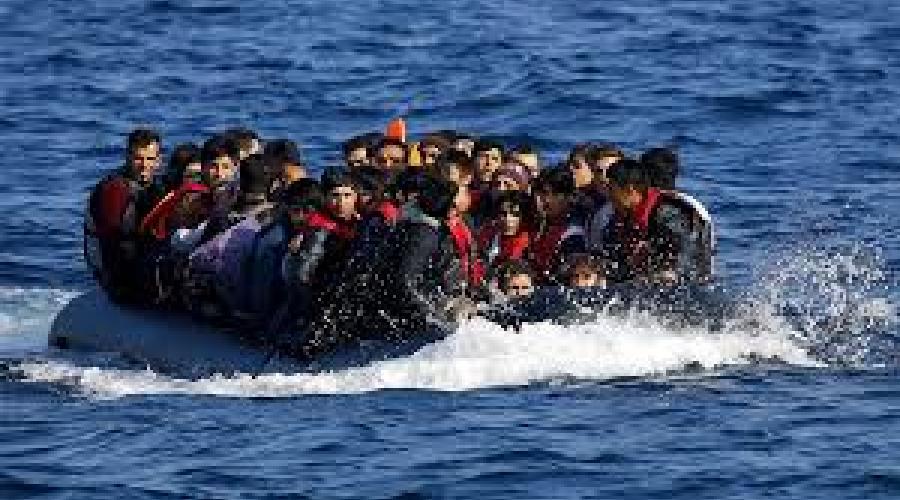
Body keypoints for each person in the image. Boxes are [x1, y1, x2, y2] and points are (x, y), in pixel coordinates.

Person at [183, 154, 277, 322]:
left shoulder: (223, 216)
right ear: (273, 185)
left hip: (224, 300)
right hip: (255, 303)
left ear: (239, 183)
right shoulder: (277, 217)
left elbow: (197, 255)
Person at [85, 128, 163, 303]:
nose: (145, 165)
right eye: (138, 158)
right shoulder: (114, 189)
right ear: (127, 157)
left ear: (159, 160)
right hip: (114, 273)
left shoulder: (155, 185)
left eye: (150, 159)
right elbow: (112, 242)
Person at [594, 158, 683, 284]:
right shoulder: (619, 219)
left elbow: (682, 259)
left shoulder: (667, 215)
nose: (609, 195)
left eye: (611, 189)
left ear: (630, 190)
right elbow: (611, 256)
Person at [640, 147, 715, 282]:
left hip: (676, 283)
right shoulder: (693, 204)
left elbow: (681, 243)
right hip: (703, 279)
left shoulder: (666, 207)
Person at [529, 168, 586, 281]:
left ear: (569, 196)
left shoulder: (574, 233)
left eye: (553, 194)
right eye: (541, 193)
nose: (545, 200)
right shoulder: (540, 225)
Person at [476, 191, 533, 270]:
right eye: (503, 213)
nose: (508, 219)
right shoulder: (488, 231)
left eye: (514, 214)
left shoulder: (524, 241)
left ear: (522, 217)